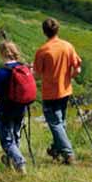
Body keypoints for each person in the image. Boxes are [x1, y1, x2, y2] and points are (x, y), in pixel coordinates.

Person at [33, 17, 82, 165]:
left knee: (55, 123)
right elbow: (77, 69)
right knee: (60, 121)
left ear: (44, 32)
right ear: (57, 29)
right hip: (65, 90)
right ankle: (56, 149)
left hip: (50, 93)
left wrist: (30, 70)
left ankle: (68, 154)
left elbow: (37, 74)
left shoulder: (42, 51)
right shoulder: (67, 46)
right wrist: (68, 77)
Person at [0, 41, 29, 174]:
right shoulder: (23, 68)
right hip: (20, 108)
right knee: (15, 136)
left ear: (2, 54)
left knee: (7, 141)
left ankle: (20, 163)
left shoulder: (2, 72)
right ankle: (10, 160)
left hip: (5, 109)